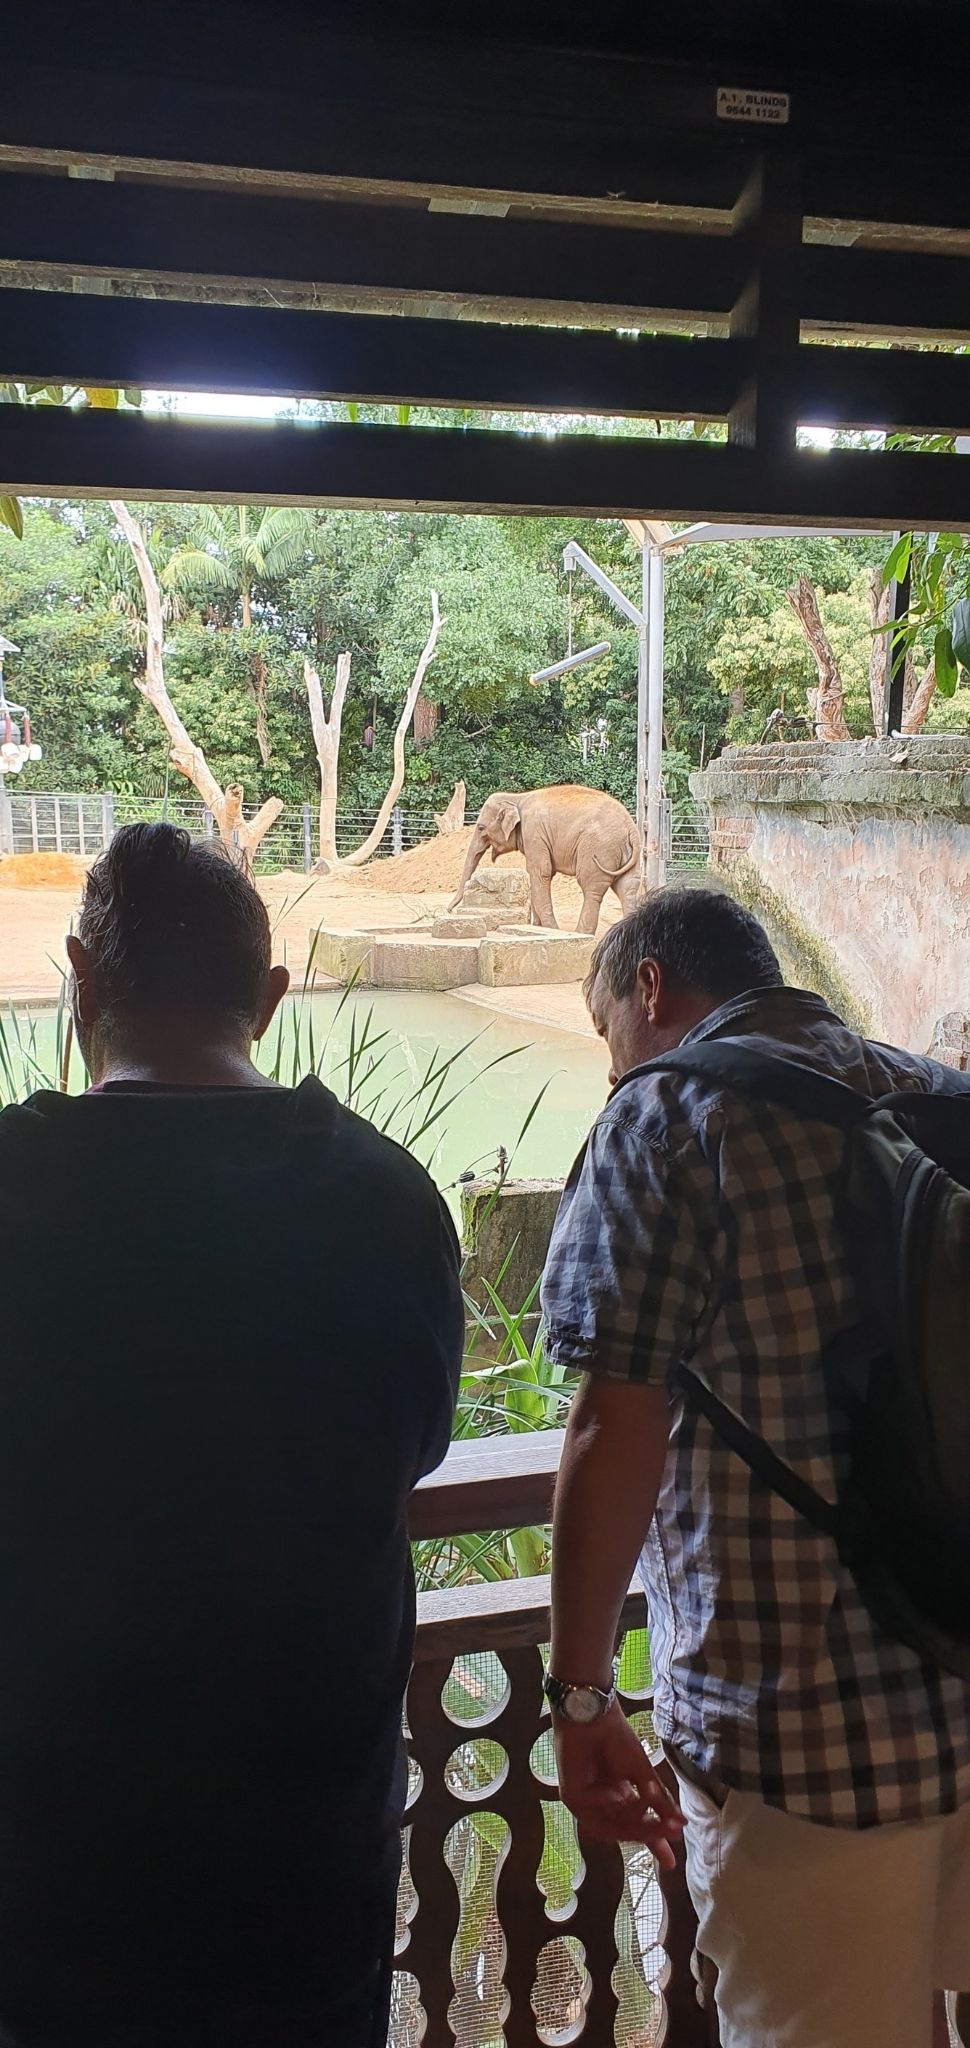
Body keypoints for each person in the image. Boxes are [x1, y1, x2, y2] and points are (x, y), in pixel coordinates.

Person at [0, 823, 463, 2048]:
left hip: (49, 1852)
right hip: (304, 1845)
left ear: (80, 981)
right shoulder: (385, 1195)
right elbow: (411, 1445)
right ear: (267, 998)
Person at [541, 886, 970, 2048]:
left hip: (802, 1736)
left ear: (646, 989)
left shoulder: (666, 1119)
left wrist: (581, 1691)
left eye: (606, 1032)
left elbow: (609, 1426)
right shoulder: (938, 1094)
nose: (612, 1064)